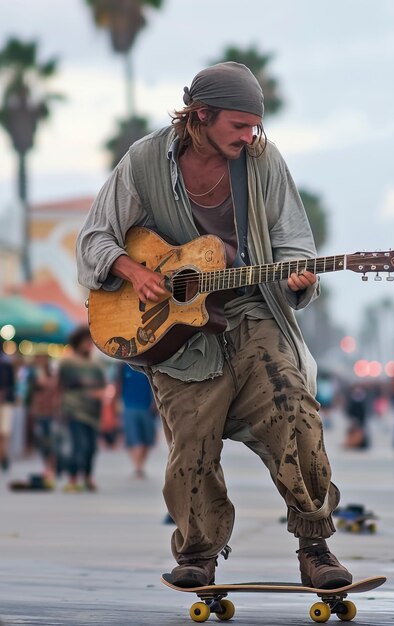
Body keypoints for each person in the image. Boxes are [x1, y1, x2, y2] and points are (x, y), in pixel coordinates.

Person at [75, 62, 352, 590]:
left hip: (251, 310)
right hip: (176, 335)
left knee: (294, 410)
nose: (250, 137)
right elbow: (94, 238)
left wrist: (298, 278)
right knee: (192, 446)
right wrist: (132, 271)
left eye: (255, 127)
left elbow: (294, 241)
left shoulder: (263, 162)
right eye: (238, 126)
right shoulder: (144, 161)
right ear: (199, 117)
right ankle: (199, 553)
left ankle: (315, 546)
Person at [58, 326, 106, 492]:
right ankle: (72, 478)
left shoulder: (96, 364)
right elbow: (62, 385)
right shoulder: (67, 362)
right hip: (74, 410)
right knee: (80, 445)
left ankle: (87, 476)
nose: (89, 345)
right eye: (86, 342)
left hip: (93, 412)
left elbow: (103, 387)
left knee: (92, 447)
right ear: (77, 343)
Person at [118, 363, 157, 478]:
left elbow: (155, 385)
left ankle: (140, 465)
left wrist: (155, 403)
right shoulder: (122, 366)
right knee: (134, 439)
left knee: (147, 439)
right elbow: (118, 385)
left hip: (146, 407)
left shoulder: (147, 364)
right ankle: (138, 467)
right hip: (129, 406)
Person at [29, 353, 61, 487]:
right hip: (39, 411)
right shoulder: (34, 374)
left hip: (52, 411)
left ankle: (53, 466)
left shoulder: (53, 373)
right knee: (42, 440)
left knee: (52, 440)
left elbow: (55, 387)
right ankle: (48, 465)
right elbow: (40, 384)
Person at [0, 347, 15, 473]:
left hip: (5, 403)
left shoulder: (6, 362)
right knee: (4, 432)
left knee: (4, 432)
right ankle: (3, 456)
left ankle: (3, 456)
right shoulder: (7, 362)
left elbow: (10, 383)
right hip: (7, 402)